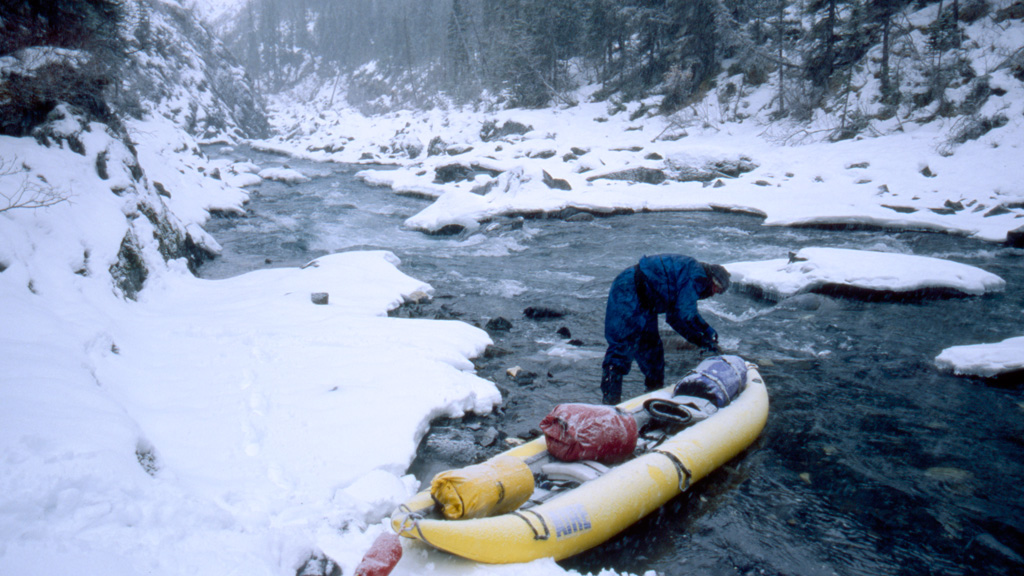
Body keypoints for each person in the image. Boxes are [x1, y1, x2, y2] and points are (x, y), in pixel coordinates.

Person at [600, 254, 730, 405]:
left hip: (647, 303)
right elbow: (686, 314)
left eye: (719, 292)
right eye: (717, 288)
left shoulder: (692, 277)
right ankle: (610, 403)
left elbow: (675, 319)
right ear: (712, 278)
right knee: (621, 349)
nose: (714, 293)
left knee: (653, 355)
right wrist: (707, 332)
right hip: (628, 289)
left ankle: (652, 397)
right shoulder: (696, 274)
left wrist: (702, 342)